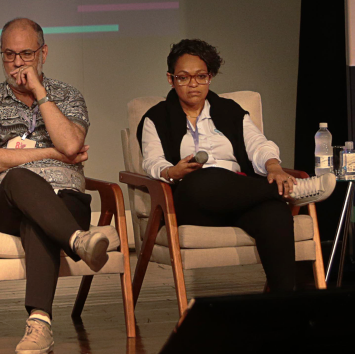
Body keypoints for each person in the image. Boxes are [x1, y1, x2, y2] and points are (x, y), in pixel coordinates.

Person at [136, 39, 334, 292]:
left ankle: (284, 309)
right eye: (183, 77)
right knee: (204, 179)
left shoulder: (229, 111)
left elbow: (259, 145)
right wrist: (171, 171)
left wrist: (273, 167)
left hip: (240, 197)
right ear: (170, 79)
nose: (193, 84)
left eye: (201, 76)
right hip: (191, 200)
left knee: (275, 213)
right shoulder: (156, 117)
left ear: (210, 77)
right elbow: (152, 160)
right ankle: (289, 191)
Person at [0, 18, 112, 354]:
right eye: (9, 55)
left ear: (43, 53)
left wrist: (41, 94)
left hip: (65, 199)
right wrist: (51, 152)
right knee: (20, 178)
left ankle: (39, 323)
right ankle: (78, 240)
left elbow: (72, 140)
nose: (17, 63)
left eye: (26, 54)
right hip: (5, 201)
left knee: (37, 218)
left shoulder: (68, 96)